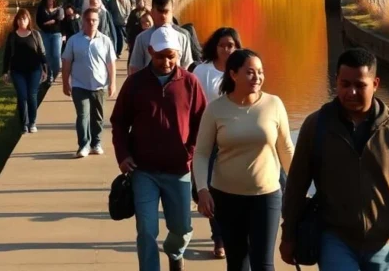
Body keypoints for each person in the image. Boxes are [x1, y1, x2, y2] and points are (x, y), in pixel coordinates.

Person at [280, 48, 389, 271]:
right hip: (334, 237)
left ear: (375, 83)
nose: (351, 92)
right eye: (345, 84)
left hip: (382, 242)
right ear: (336, 81)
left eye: (360, 85)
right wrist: (288, 234)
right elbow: (296, 184)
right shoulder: (317, 126)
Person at [111, 26, 207, 271]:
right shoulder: (135, 84)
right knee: (146, 229)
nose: (166, 61)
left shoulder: (190, 83)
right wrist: (123, 155)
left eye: (171, 56)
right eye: (160, 56)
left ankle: (175, 254)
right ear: (150, 51)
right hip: (144, 171)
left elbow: (202, 122)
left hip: (179, 170)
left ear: (178, 53)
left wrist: (191, 152)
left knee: (182, 228)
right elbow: (119, 122)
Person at [195, 49, 294, 271]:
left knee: (264, 264)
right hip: (227, 198)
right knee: (237, 263)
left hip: (266, 196)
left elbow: (286, 148)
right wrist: (203, 190)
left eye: (260, 72)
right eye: (250, 72)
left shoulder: (274, 104)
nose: (257, 77)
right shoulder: (216, 109)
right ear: (233, 74)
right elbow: (201, 153)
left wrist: (299, 186)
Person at [191, 27, 242, 258]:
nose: (227, 50)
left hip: (238, 139)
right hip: (210, 139)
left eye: (231, 45)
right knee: (213, 190)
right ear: (215, 47)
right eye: (223, 45)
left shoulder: (243, 70)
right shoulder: (202, 71)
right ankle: (219, 238)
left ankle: (237, 233)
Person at [61, 7, 117, 158]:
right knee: (83, 115)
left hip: (99, 85)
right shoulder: (74, 40)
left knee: (97, 116)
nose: (91, 23)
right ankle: (83, 145)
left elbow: (111, 64)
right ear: (83, 22)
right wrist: (65, 83)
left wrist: (113, 83)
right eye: (88, 20)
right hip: (79, 85)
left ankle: (96, 143)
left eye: (94, 20)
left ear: (98, 22)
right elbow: (66, 62)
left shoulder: (105, 41)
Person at [1, 9, 48, 134]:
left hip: (34, 70)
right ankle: (24, 124)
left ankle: (32, 122)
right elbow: (7, 55)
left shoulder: (35, 35)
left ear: (29, 20)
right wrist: (5, 72)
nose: (22, 21)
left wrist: (45, 69)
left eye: (24, 19)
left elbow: (41, 53)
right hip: (18, 71)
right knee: (22, 96)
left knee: (32, 96)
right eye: (20, 19)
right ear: (16, 20)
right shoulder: (12, 36)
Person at [128, 0, 194, 75]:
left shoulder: (182, 37)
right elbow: (135, 67)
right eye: (159, 11)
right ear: (152, 12)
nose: (163, 16)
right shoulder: (142, 38)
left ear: (172, 11)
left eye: (166, 12)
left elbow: (186, 66)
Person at [36, 0, 64, 84]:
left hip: (56, 34)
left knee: (56, 55)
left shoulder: (59, 8)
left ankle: (57, 74)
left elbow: (60, 19)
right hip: (45, 34)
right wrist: (46, 24)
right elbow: (39, 21)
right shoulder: (41, 9)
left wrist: (52, 21)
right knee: (47, 56)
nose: (51, 0)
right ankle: (49, 76)